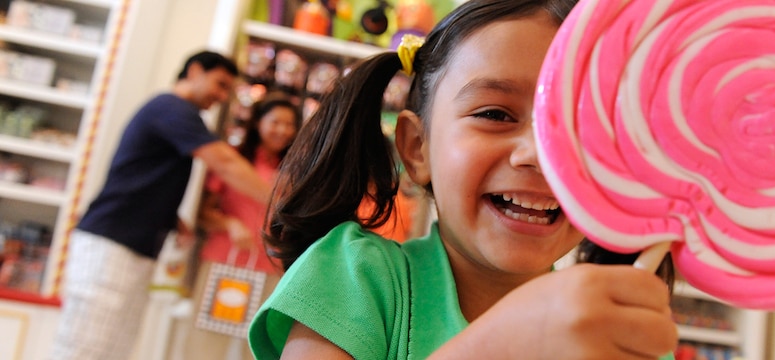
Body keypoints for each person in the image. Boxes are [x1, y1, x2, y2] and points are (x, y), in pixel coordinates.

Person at [250, 0, 679, 359]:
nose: (538, 155)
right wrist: (500, 344)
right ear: (418, 147)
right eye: (495, 114)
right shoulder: (354, 277)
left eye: (579, 127)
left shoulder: (623, 333)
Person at [50, 50, 272, 360]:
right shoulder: (172, 108)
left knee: (112, 348)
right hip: (111, 245)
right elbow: (223, 161)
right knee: (85, 347)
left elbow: (148, 176)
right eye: (220, 84)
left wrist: (172, 218)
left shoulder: (172, 113)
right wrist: (276, 201)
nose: (221, 96)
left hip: (133, 248)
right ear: (194, 71)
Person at [180, 96, 300, 360]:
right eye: (275, 122)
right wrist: (229, 223)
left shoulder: (297, 172)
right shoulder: (233, 160)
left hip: (271, 269)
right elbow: (202, 212)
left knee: (258, 349)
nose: (282, 130)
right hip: (224, 263)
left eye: (289, 124)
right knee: (205, 344)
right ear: (258, 122)